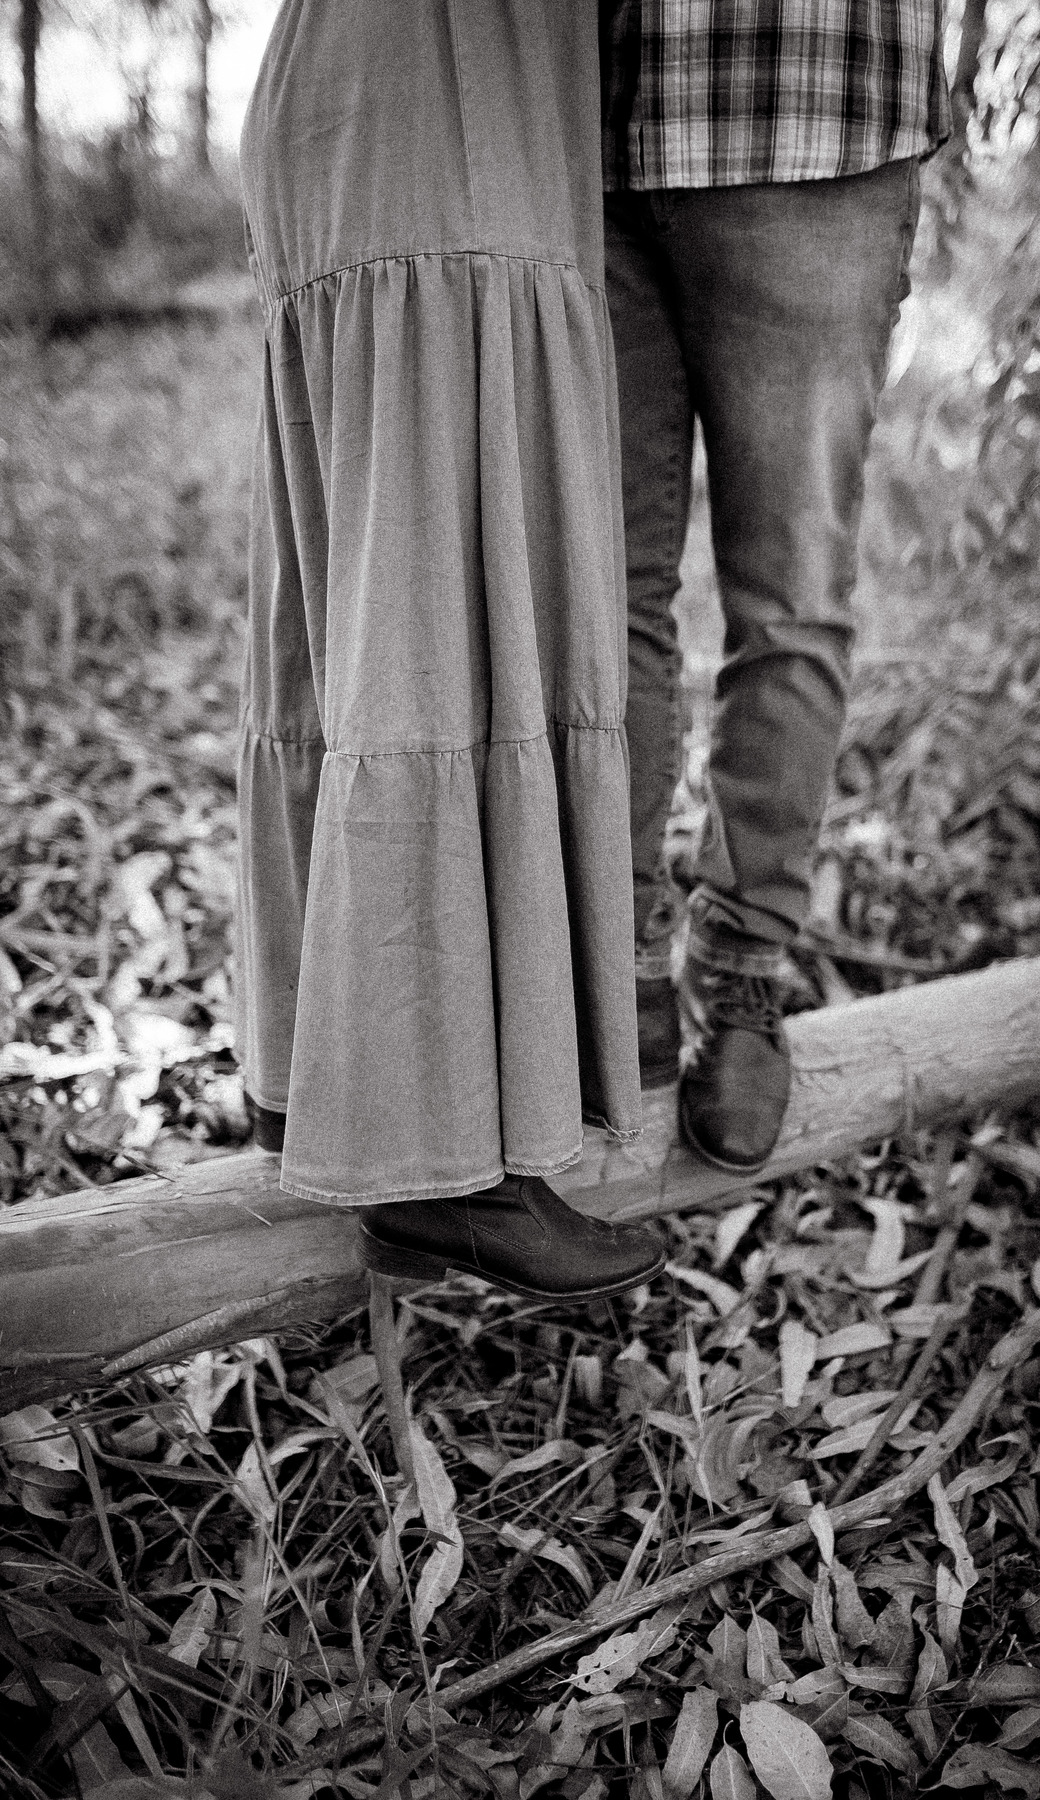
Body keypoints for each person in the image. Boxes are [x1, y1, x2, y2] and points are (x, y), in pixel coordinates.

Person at [234, 0, 665, 1302]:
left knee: (358, 622)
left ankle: (314, 1080)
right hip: (448, 119)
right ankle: (439, 1174)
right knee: (425, 632)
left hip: (368, 105)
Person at [602, 0, 951, 1172]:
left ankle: (745, 974)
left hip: (810, 108)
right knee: (600, 600)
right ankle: (623, 962)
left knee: (790, 595)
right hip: (583, 137)